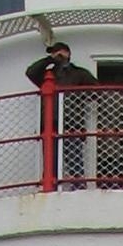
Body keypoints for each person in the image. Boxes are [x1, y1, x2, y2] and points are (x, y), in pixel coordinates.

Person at [25, 37, 92, 188]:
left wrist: (79, 96)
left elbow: (96, 91)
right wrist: (49, 60)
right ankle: (51, 187)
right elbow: (30, 72)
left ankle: (79, 188)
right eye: (53, 53)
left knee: (74, 160)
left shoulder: (79, 74)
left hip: (71, 123)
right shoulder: (47, 74)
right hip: (50, 124)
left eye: (58, 52)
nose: (56, 55)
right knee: (51, 162)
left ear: (67, 53)